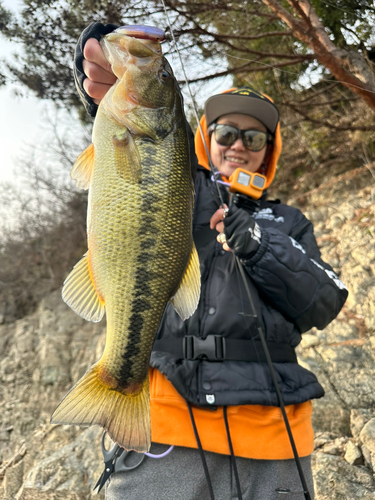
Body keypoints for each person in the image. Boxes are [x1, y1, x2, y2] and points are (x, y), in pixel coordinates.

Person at [73, 23, 348, 500]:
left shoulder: (289, 221)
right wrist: (98, 57)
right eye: (225, 131)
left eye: (255, 138)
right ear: (204, 136)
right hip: (166, 423)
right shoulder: (186, 190)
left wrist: (259, 242)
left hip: (274, 434)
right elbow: (139, 158)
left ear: (270, 153)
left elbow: (323, 300)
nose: (238, 143)